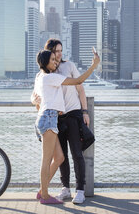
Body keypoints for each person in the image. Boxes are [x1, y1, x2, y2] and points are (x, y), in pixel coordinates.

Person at [32, 48, 99, 204]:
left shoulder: (43, 77)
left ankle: (43, 190)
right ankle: (45, 197)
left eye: (56, 60)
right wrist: (94, 65)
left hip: (49, 118)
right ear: (45, 63)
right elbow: (77, 81)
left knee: (60, 157)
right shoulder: (50, 77)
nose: (56, 62)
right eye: (53, 60)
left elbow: (41, 98)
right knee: (46, 160)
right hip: (48, 119)